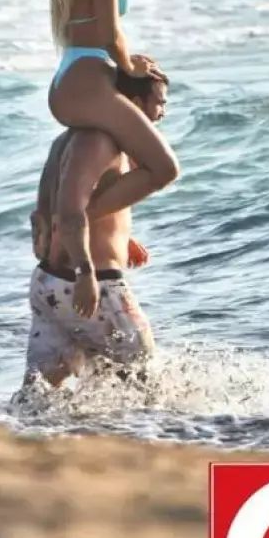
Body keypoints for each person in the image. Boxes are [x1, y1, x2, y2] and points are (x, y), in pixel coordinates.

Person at [39, 0, 180, 225]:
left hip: (71, 75)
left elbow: (89, 30)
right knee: (164, 168)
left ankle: (63, 223)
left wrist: (129, 61)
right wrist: (129, 66)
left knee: (119, 156)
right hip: (88, 80)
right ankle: (74, 223)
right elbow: (108, 34)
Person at [25, 71, 169, 388]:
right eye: (160, 103)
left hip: (50, 282)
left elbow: (46, 212)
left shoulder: (66, 140)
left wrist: (118, 238)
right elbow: (70, 213)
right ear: (134, 103)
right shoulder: (101, 142)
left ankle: (1, 422)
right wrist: (85, 272)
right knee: (146, 380)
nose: (163, 112)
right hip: (92, 285)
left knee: (40, 392)